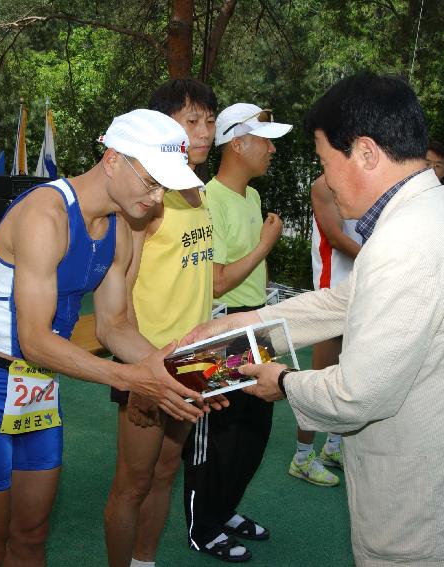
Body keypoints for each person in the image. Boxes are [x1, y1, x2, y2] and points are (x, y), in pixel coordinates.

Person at [184, 71, 444, 567]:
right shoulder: (427, 216)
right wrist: (244, 323)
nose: (323, 180)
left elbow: (357, 395)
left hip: (431, 525)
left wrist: (281, 380)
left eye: (324, 162)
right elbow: (342, 303)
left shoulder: (407, 244)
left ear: (365, 153)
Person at [0, 108, 208, 567]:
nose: (158, 195)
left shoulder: (121, 225)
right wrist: (132, 379)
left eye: (164, 184)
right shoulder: (45, 215)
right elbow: (34, 340)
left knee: (31, 536)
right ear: (112, 159)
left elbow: (115, 326)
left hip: (40, 389)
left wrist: (179, 373)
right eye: (150, 180)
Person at [104, 78, 220, 567]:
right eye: (191, 120)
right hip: (148, 362)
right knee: (133, 483)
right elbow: (119, 297)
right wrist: (143, 375)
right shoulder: (146, 199)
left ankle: (144, 562)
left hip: (194, 360)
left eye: (210, 120)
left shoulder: (197, 190)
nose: (205, 131)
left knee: (168, 470)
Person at [182, 102, 291, 562]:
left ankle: (224, 510)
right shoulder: (210, 200)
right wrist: (266, 245)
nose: (271, 150)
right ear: (238, 143)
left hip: (256, 322)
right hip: (222, 328)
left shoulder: (251, 197)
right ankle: (202, 527)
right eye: (264, 140)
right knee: (215, 435)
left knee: (253, 430)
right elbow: (218, 280)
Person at [289, 173, 361, 487]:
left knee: (350, 377)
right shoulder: (324, 184)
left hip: (362, 291)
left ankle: (333, 447)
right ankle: (302, 457)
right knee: (318, 380)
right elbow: (334, 236)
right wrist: (384, 260)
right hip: (332, 295)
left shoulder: (367, 179)